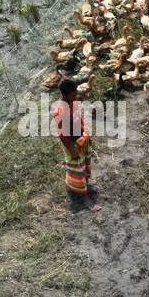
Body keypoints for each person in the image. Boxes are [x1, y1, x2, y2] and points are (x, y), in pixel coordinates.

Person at [52, 79, 100, 212]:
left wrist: (86, 134)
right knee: (77, 168)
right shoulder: (60, 112)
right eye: (73, 95)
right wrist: (72, 150)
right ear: (65, 95)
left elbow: (80, 119)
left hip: (81, 139)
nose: (76, 97)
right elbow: (63, 136)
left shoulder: (74, 102)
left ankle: (80, 184)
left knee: (84, 163)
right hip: (72, 144)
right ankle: (84, 197)